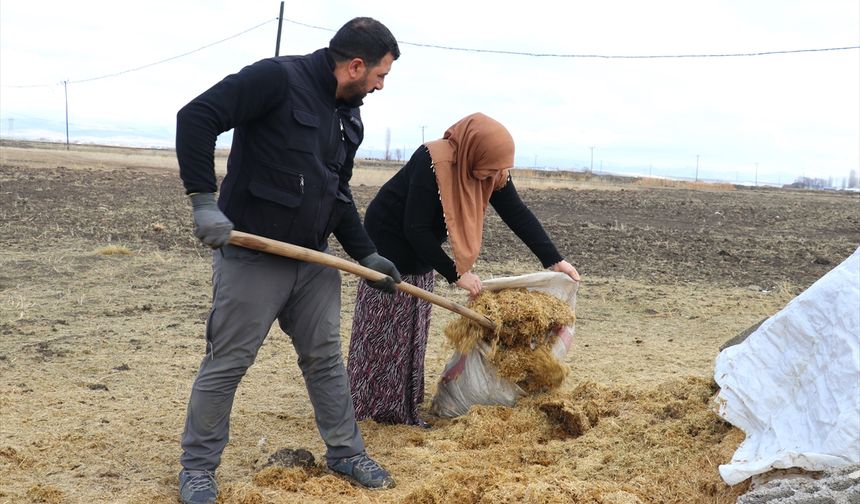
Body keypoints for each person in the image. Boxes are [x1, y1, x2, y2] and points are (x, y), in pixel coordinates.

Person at [174, 17, 402, 504]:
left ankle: (346, 452)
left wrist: (366, 254)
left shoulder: (349, 118)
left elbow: (337, 193)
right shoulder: (276, 79)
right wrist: (203, 200)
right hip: (253, 254)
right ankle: (197, 468)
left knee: (325, 360)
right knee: (229, 361)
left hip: (312, 259)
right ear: (355, 65)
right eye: (380, 74)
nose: (381, 85)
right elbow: (196, 117)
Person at [347, 112, 581, 428]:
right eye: (491, 169)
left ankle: (402, 405)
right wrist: (456, 274)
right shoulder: (432, 160)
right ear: (474, 151)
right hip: (388, 241)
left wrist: (554, 259)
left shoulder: (491, 170)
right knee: (387, 328)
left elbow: (517, 213)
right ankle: (370, 406)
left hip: (422, 246)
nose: (495, 177)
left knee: (413, 328)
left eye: (500, 170)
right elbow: (415, 228)